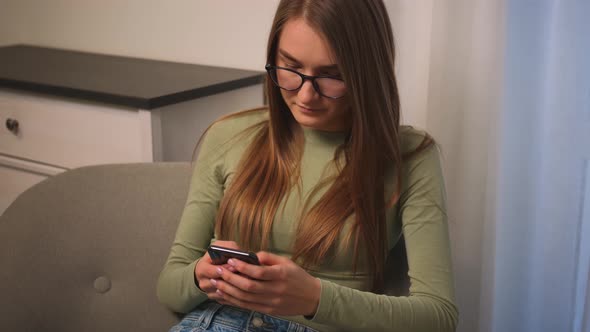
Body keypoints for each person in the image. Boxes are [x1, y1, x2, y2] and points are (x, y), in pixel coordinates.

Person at [157, 0, 458, 331]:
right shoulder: (229, 136)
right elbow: (170, 288)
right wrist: (202, 276)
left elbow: (438, 318)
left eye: (331, 77)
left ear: (367, 74)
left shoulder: (411, 156)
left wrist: (315, 298)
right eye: (290, 67)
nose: (305, 96)